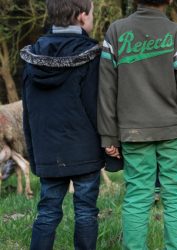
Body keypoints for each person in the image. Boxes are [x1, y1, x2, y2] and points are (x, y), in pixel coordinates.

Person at [97, 0, 177, 248]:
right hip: (174, 133)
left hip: (132, 133)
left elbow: (106, 89)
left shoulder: (116, 31)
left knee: (137, 196)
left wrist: (108, 136)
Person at [20, 0, 103, 249]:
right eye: (91, 14)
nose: (92, 19)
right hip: (84, 149)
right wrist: (108, 144)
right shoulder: (92, 54)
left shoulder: (32, 54)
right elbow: (96, 106)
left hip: (48, 150)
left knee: (47, 211)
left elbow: (29, 112)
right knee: (86, 212)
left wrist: (34, 152)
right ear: (81, 16)